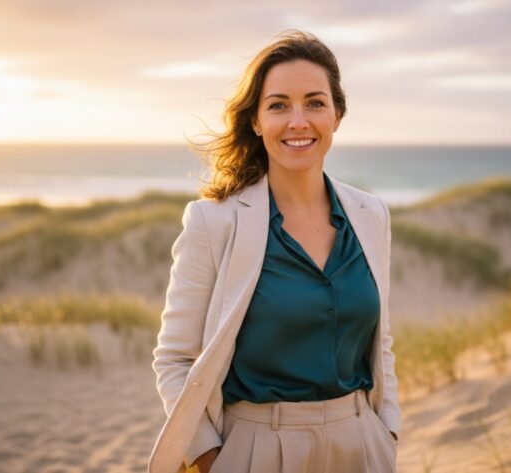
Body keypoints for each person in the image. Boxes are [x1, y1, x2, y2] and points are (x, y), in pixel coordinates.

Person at [148, 30, 401, 473]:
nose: (298, 121)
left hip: (361, 447)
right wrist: (209, 458)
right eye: (279, 104)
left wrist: (387, 431)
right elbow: (175, 359)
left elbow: (382, 342)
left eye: (315, 103)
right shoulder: (215, 222)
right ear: (256, 120)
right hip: (257, 448)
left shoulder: (371, 214)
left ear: (337, 115)